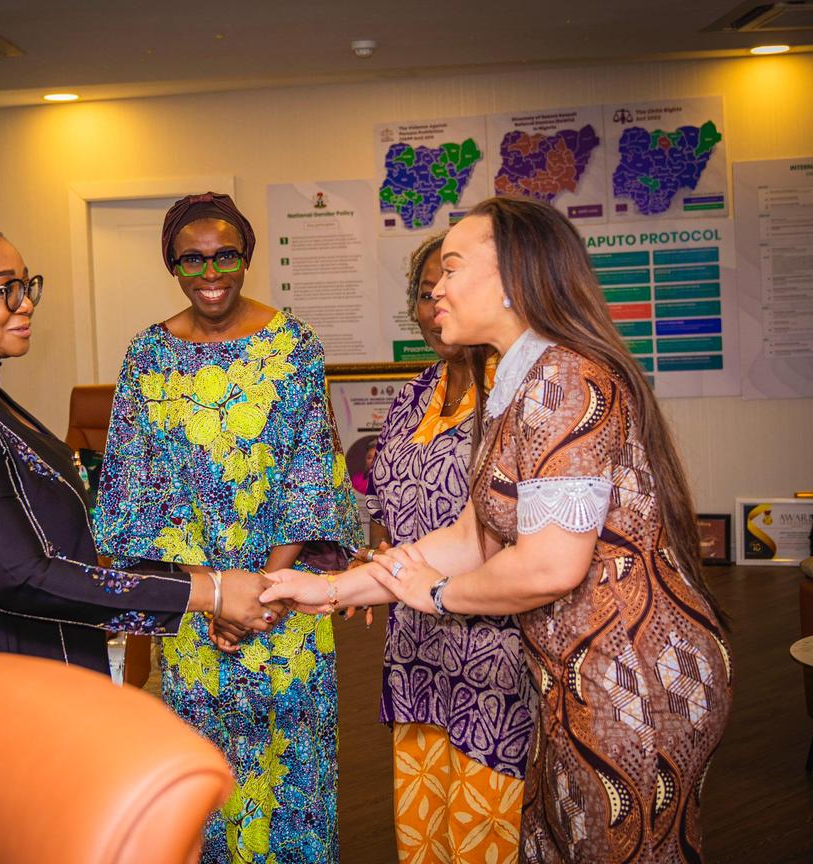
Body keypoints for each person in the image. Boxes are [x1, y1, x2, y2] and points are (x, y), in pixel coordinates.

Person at [262, 196, 733, 863]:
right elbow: (469, 538)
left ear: (513, 279)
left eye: (453, 268)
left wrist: (438, 595)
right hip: (571, 674)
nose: (437, 289)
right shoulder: (520, 381)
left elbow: (548, 566)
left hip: (629, 676)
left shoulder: (564, 379)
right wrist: (332, 590)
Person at [0, 190, 279, 863]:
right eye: (4, 289)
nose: (25, 303)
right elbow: (19, 574)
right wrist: (207, 591)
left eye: (27, 284)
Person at [92, 192, 362, 863]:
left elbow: (309, 475)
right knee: (205, 780)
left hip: (286, 603)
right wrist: (214, 593)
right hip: (194, 610)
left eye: (225, 256)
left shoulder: (293, 345)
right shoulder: (148, 356)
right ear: (172, 265)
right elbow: (135, 489)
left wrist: (261, 593)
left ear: (246, 258)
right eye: (193, 259)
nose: (210, 273)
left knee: (292, 779)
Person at [356, 232, 530, 863]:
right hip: (416, 649)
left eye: (448, 287)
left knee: (488, 822)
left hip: (497, 647)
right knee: (425, 820)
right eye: (425, 293)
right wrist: (372, 565)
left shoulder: (518, 390)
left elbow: (506, 531)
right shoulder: (413, 396)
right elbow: (386, 506)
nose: (436, 306)